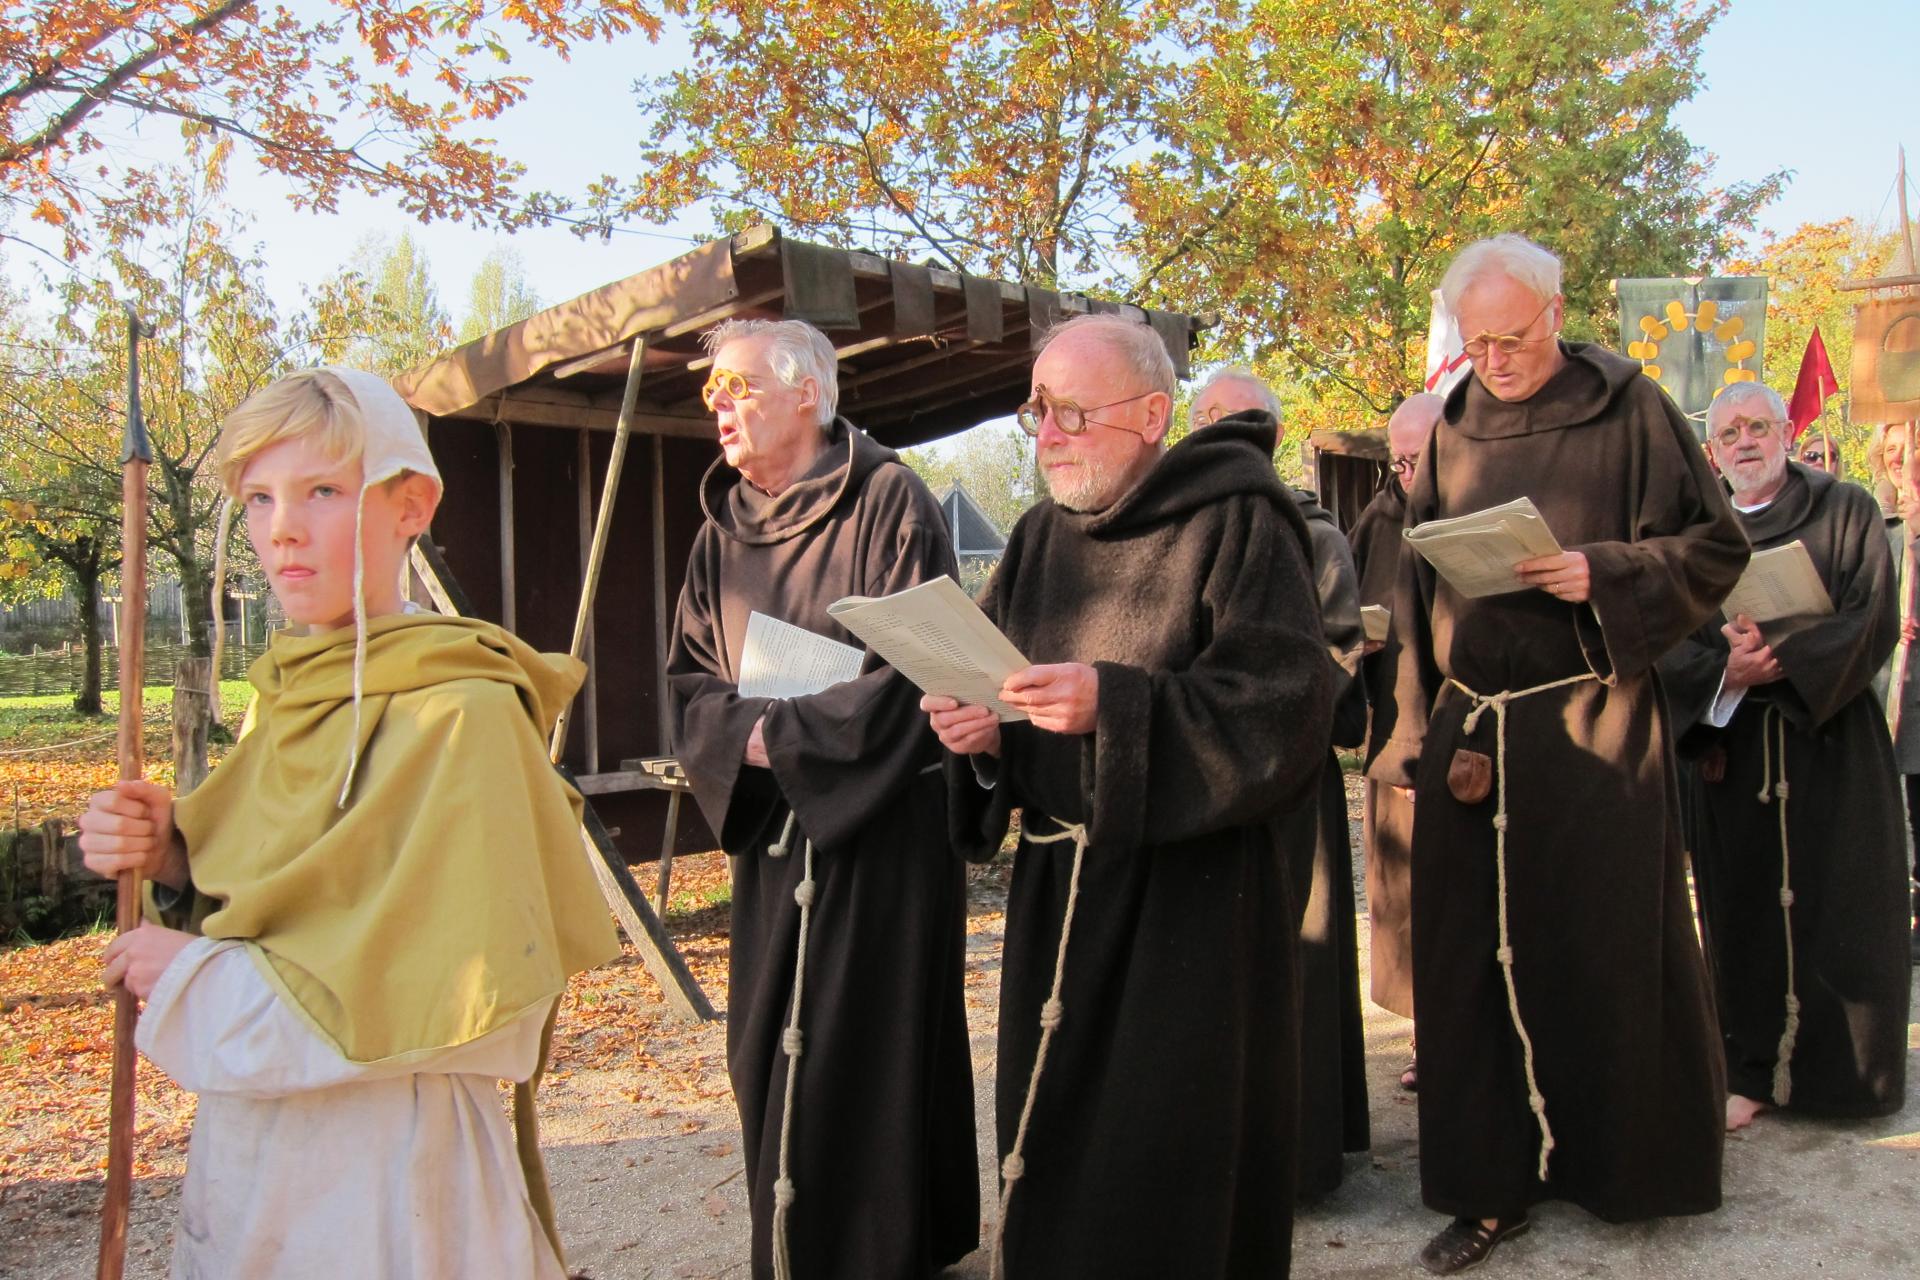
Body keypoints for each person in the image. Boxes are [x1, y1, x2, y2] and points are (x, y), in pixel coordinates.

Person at [77, 368, 621, 1278]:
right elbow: (278, 897)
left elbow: (479, 1014)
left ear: (410, 506)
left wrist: (199, 978)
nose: (280, 527)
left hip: (394, 1183)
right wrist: (166, 849)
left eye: (322, 491)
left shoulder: (463, 716)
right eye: (258, 498)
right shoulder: (285, 700)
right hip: (253, 1168)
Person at [924, 314, 1332, 1278]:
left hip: (1191, 912)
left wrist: (1119, 703)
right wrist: (981, 737)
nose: (1049, 433)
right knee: (1050, 1127)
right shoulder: (1034, 539)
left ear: (1154, 413)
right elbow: (1002, 688)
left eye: (1071, 410)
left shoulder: (1239, 518)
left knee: (1167, 1153)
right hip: (1059, 893)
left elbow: (1286, 707)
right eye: (1037, 411)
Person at [1369, 234, 1747, 1274]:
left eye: (1511, 335)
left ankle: (1623, 1165)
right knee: (1467, 963)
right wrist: (1411, 729)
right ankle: (1489, 1186)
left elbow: (1717, 549)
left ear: (1556, 308)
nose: (1493, 358)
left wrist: (1607, 570)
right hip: (1472, 734)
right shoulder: (1449, 428)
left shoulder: (1631, 408)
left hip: (1592, 721)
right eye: (1476, 340)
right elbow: (1414, 594)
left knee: (1602, 947)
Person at [666, 319, 978, 1279]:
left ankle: (879, 1253)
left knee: (867, 1052)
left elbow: (914, 665)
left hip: (878, 837)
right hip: (772, 836)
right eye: (713, 390)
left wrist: (780, 738)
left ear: (806, 393)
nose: (719, 405)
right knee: (765, 1052)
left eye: (739, 386)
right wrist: (747, 739)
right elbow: (686, 677)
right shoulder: (718, 528)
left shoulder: (890, 502)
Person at [1658, 383, 1909, 1131]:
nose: (1744, 441)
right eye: (1728, 431)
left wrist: (1787, 655)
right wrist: (1723, 668)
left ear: (1786, 432)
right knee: (1742, 914)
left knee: (1842, 910)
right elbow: (1669, 632)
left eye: (1757, 426)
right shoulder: (1699, 534)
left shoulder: (1847, 508)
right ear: (1713, 452)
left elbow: (1874, 615)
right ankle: (1749, 1069)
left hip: (1829, 743)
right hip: (1732, 750)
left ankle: (1848, 1080)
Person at [1192, 365, 1369, 1198]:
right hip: (1202, 783)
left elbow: (1338, 654)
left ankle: (1298, 1159)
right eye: (1206, 419)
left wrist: (1255, 726)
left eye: (1237, 418)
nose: (1219, 433)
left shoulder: (1311, 533)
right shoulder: (1182, 526)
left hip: (1288, 784)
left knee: (1297, 959)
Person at [1348, 392, 1443, 1087]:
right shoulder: (1378, 522)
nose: (1410, 474)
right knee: (1405, 894)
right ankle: (1425, 1039)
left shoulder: (1482, 511)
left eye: (1423, 457)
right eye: (1400, 461)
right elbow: (1340, 613)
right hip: (1393, 730)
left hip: (1466, 734)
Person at [1869, 420, 1920, 961]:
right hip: (1885, 695)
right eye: (1893, 452)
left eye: (1914, 450)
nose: (1904, 461)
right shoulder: (1876, 526)